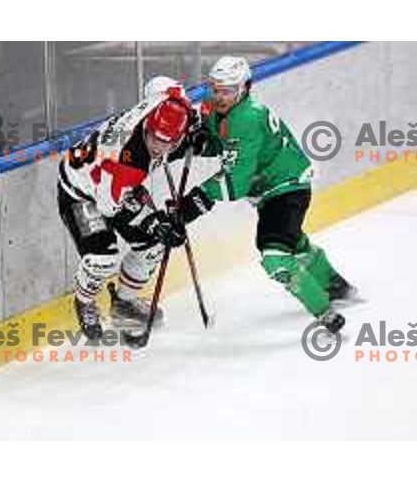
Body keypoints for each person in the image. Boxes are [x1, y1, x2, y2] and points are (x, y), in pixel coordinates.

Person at [171, 56, 358, 334]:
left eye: (228, 90)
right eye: (216, 88)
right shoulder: (211, 107)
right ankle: (333, 283)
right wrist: (199, 142)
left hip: (288, 186)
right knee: (289, 241)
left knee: (274, 255)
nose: (220, 96)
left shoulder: (249, 117)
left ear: (245, 88)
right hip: (269, 189)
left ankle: (323, 311)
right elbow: (221, 141)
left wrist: (196, 201)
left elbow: (236, 181)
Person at [58, 81, 195, 341]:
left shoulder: (169, 102)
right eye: (154, 139)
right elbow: (112, 207)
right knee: (103, 258)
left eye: (168, 143)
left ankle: (123, 304)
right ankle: (84, 300)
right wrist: (155, 222)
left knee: (154, 246)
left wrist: (195, 128)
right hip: (82, 191)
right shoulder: (125, 164)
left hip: (114, 183)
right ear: (147, 127)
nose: (159, 148)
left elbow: (166, 85)